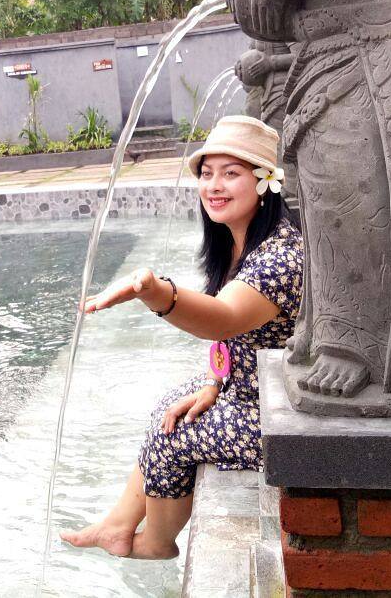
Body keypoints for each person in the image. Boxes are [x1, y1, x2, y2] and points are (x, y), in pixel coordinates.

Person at [61, 115, 304, 560]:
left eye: (231, 173)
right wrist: (214, 383)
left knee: (175, 433)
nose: (214, 186)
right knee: (169, 406)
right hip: (252, 391)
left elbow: (225, 319)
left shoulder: (280, 259)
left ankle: (156, 542)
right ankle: (118, 525)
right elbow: (234, 340)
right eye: (207, 174)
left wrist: (156, 292)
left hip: (280, 417)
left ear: (264, 182)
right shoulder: (240, 242)